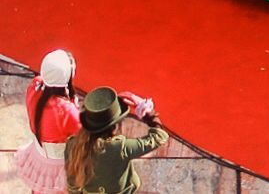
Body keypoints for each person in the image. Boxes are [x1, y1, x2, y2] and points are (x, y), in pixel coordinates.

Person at [62, 88, 168, 194]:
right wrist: (146, 111)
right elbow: (159, 136)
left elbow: (73, 185)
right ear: (115, 126)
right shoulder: (119, 148)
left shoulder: (72, 144)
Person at [17, 49, 81, 194]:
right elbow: (83, 133)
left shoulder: (34, 88)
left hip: (39, 158)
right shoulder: (66, 110)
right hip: (60, 167)